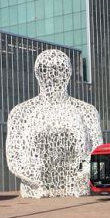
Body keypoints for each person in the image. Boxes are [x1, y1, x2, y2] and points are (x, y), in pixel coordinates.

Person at [6, 49, 102, 198]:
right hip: (34, 192)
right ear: (37, 73)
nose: (53, 75)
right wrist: (35, 180)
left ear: (68, 73)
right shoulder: (20, 113)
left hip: (76, 191)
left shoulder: (87, 111)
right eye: (46, 70)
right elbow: (14, 157)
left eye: (59, 69)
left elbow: (97, 155)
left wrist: (80, 176)